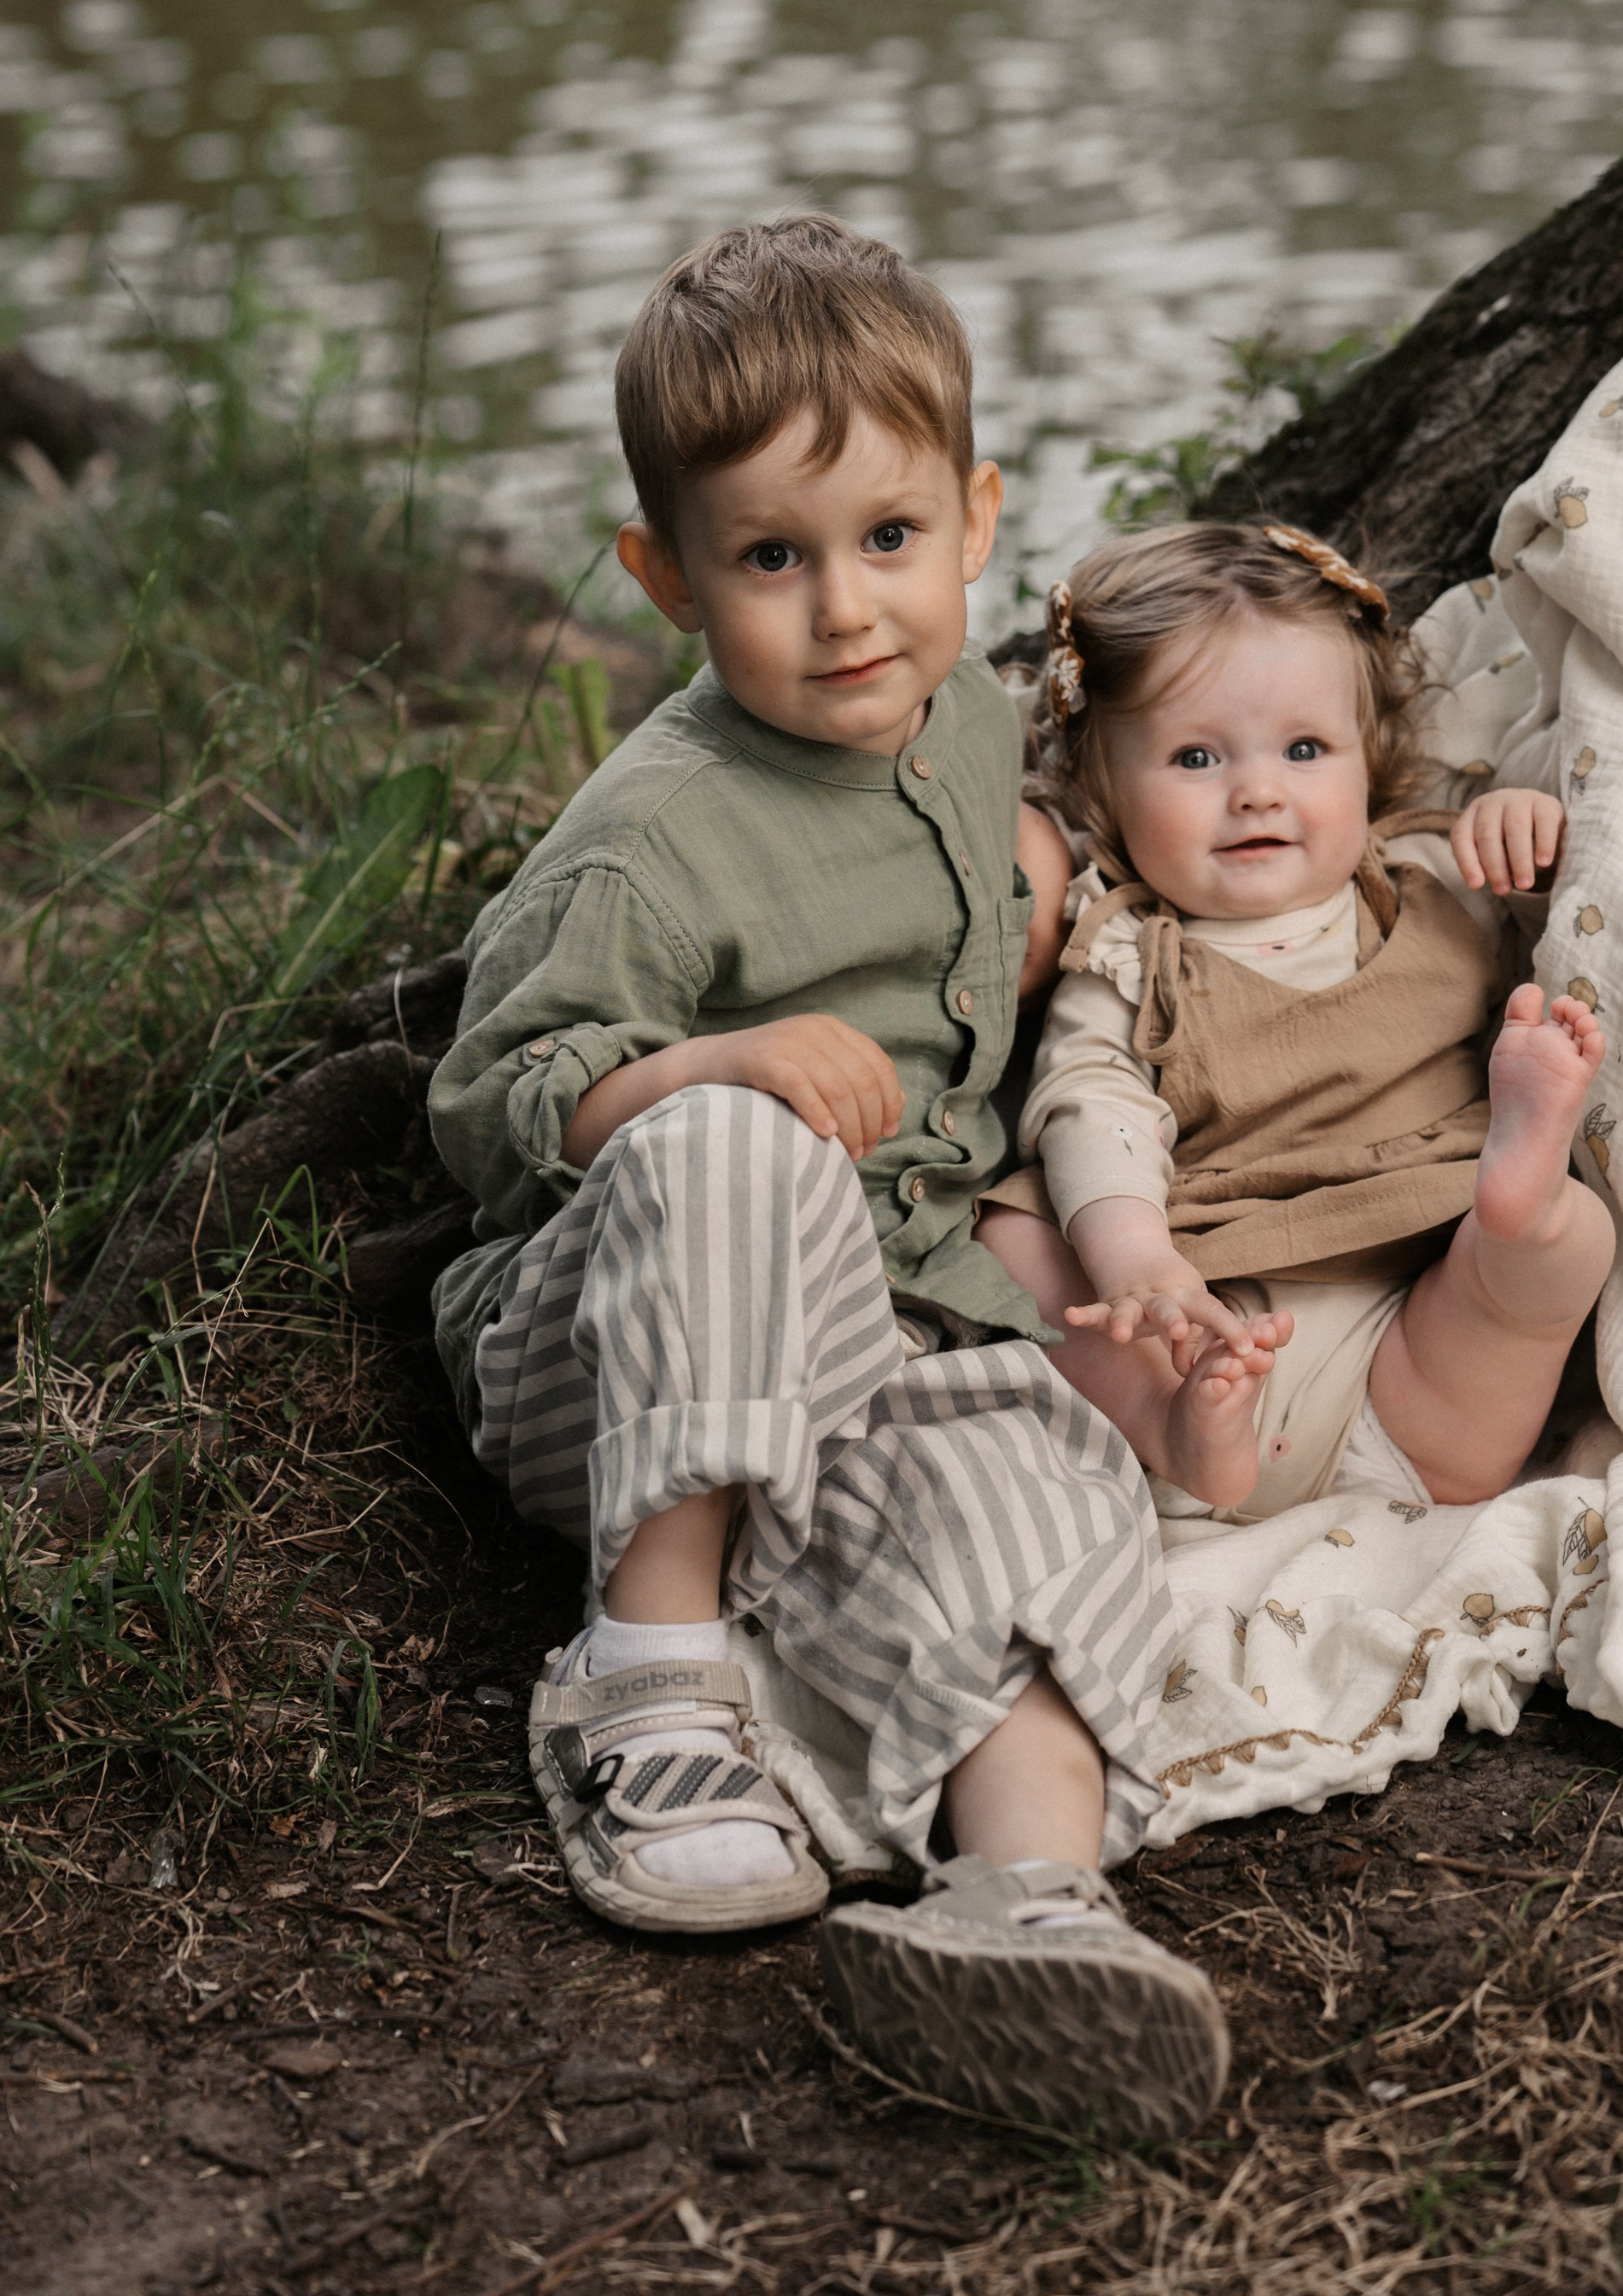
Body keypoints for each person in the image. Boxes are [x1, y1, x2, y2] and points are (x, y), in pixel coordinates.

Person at [426, 215, 1228, 2144]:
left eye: (885, 540)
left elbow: (1029, 834)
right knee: (734, 1145)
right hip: (614, 1350)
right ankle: (653, 1685)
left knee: (1027, 1481)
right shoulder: (657, 836)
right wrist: (706, 1063)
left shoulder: (970, 730)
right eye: (770, 559)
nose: (845, 609)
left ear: (973, 521)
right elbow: (489, 1102)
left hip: (883, 1324)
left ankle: (1024, 1905)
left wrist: (1037, 873)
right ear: (668, 579)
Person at [975, 521, 1615, 1519]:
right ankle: (1173, 1427)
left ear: (1372, 761)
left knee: (1566, 1240)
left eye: (1306, 748)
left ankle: (1519, 1200)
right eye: (1195, 756)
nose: (1258, 790)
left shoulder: (1428, 879)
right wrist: (1136, 1254)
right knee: (1013, 1236)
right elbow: (1088, 1102)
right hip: (1208, 1328)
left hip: (1421, 1352)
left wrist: (1521, 835)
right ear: (1101, 787)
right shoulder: (1127, 948)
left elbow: (1572, 929)